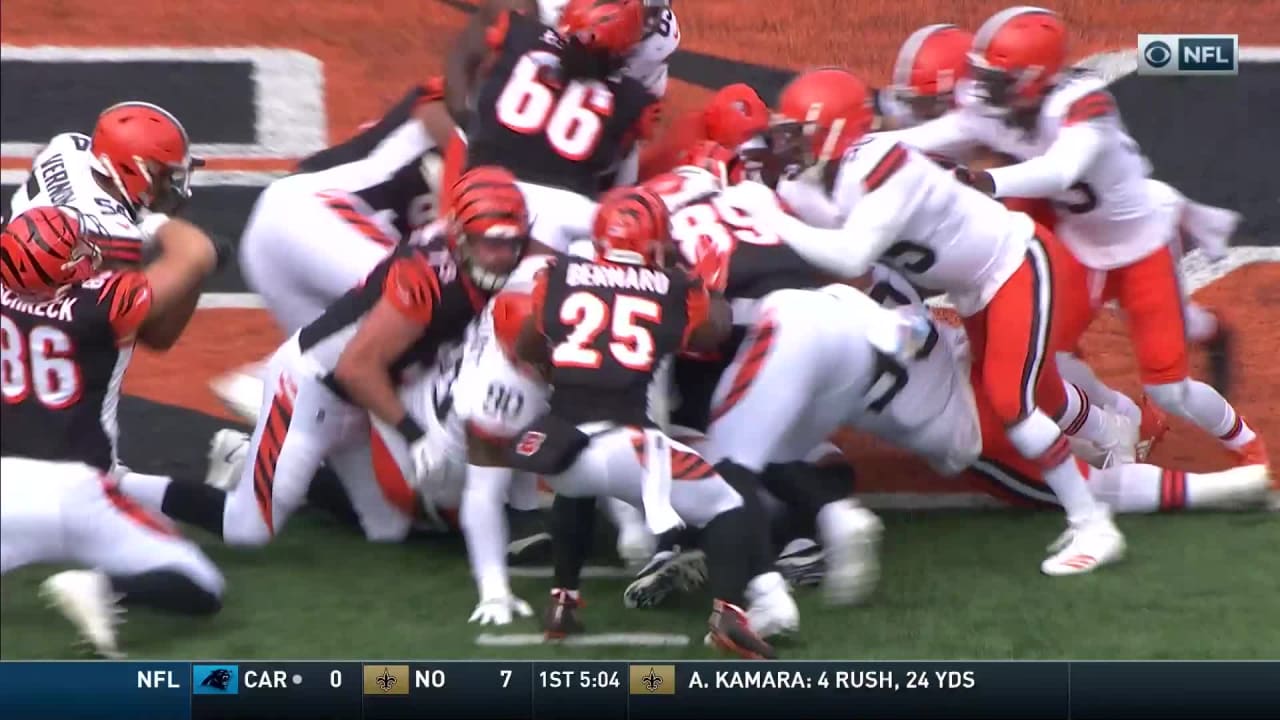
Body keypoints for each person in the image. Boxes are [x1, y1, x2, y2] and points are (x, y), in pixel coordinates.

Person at [751, 67, 1127, 576]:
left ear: (832, 130)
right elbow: (808, 211)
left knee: (1012, 403)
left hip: (1014, 263)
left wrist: (771, 216)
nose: (787, 144)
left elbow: (849, 255)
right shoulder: (838, 171)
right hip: (977, 284)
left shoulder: (881, 167)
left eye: (796, 132)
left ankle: (1092, 524)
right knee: (1041, 391)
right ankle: (1118, 438)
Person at [892, 7, 1265, 475]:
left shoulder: (1084, 107)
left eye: (997, 80)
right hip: (1079, 246)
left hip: (1140, 247)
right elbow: (936, 133)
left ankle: (1249, 444)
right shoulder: (1001, 108)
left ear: (1032, 79)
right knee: (1043, 348)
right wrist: (860, 150)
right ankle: (1117, 425)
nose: (984, 93)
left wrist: (984, 180)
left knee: (1168, 384)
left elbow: (1059, 170)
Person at [123, 168, 531, 548]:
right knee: (247, 528)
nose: (502, 254)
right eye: (491, 242)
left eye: (511, 242)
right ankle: (119, 484)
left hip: (359, 397)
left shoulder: (481, 254)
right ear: (460, 234)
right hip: (313, 387)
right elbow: (357, 368)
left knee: (388, 529)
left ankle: (254, 460)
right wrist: (414, 435)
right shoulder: (427, 278)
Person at [501, 186, 795, 658]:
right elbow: (711, 335)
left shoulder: (556, 274)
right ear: (655, 240)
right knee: (727, 503)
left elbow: (527, 347)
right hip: (625, 444)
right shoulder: (673, 288)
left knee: (575, 488)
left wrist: (576, 365)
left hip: (560, 443)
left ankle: (562, 603)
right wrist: (706, 285)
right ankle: (730, 615)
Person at [2, 205, 224, 658]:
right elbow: (195, 254)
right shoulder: (102, 302)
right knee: (201, 585)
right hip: (84, 490)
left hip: (6, 486)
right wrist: (152, 220)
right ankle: (100, 586)